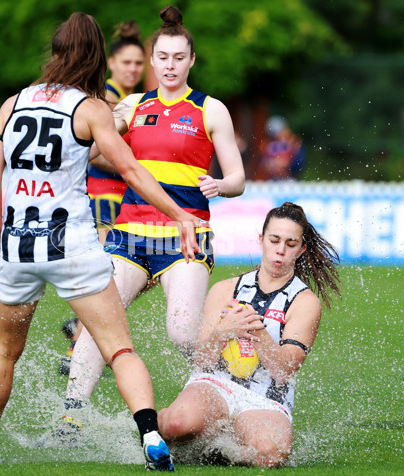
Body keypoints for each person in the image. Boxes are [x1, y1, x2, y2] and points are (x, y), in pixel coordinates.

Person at [0, 11, 205, 470]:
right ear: (97, 57)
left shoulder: (12, 103)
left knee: (3, 351)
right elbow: (132, 169)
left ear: (55, 53)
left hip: (19, 246)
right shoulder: (89, 108)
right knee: (119, 349)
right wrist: (179, 214)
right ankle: (152, 437)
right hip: (72, 246)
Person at [62, 5, 246, 425]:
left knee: (183, 332)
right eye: (162, 57)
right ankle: (70, 421)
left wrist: (221, 185)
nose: (170, 65)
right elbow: (88, 154)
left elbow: (238, 178)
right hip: (128, 234)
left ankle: (230, 387)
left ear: (191, 60)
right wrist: (104, 126)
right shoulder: (132, 104)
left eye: (179, 58)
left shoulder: (210, 109)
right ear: (152, 59)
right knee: (98, 322)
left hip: (185, 236)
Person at [157, 202, 341, 468]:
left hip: (265, 398)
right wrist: (222, 332)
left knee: (270, 454)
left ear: (301, 250)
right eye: (274, 240)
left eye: (290, 244)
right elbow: (201, 360)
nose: (280, 250)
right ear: (261, 240)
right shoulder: (225, 289)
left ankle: (224, 453)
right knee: (176, 424)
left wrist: (257, 331)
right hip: (215, 384)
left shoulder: (305, 301)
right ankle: (153, 425)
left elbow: (285, 370)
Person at [59, 20, 147, 375]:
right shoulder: (104, 97)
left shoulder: (133, 100)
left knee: (126, 275)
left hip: (123, 197)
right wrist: (142, 167)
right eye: (127, 62)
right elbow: (97, 153)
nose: (133, 69)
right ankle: (80, 340)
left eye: (139, 64)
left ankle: (79, 330)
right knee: (112, 274)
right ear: (111, 63)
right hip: (102, 197)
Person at [255, 116, 305, 181]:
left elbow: (299, 164)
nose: (277, 137)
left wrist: (287, 163)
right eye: (273, 136)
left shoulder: (293, 144)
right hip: (272, 180)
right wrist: (270, 164)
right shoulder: (267, 146)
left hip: (290, 179)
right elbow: (261, 163)